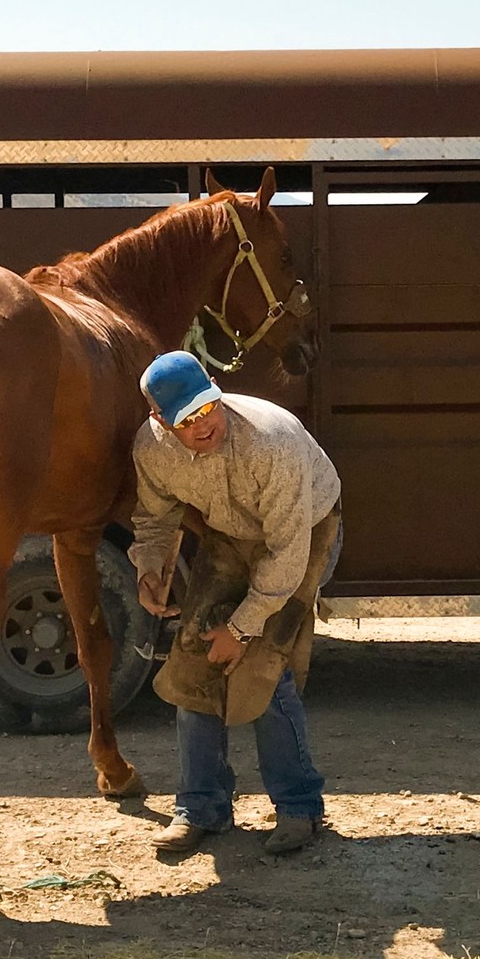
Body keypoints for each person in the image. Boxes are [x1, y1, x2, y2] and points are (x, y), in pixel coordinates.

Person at [128, 351, 342, 856]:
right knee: (192, 660)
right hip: (230, 536)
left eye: (208, 408)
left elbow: (287, 555)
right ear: (160, 421)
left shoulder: (273, 441)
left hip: (305, 533)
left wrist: (242, 629)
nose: (204, 425)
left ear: (216, 391)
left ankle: (299, 808)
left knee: (264, 667)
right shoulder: (151, 450)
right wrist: (150, 567)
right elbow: (155, 516)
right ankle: (201, 808)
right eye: (187, 419)